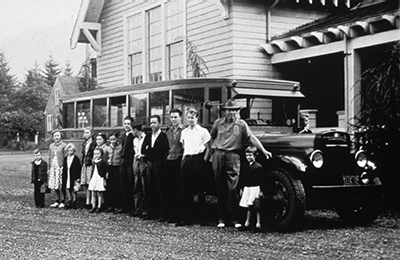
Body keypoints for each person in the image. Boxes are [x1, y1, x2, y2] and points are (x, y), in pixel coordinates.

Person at [210, 99, 272, 228]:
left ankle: (235, 218)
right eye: (229, 110)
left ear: (238, 112)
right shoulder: (218, 123)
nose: (231, 113)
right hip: (218, 155)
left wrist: (264, 150)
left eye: (234, 110)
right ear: (225, 112)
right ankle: (222, 218)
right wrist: (211, 154)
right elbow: (212, 138)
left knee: (233, 188)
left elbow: (252, 138)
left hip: (233, 156)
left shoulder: (242, 124)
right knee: (220, 187)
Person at [177, 108, 211, 226]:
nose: (190, 120)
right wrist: (183, 161)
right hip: (186, 159)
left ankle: (202, 219)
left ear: (197, 118)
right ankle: (187, 218)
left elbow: (208, 148)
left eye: (193, 117)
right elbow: (184, 147)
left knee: (200, 190)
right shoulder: (184, 132)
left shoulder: (203, 131)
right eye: (189, 117)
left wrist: (203, 162)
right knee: (185, 190)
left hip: (198, 159)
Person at [141, 115, 169, 221]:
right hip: (150, 163)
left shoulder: (163, 136)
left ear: (159, 124)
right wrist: (151, 150)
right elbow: (143, 149)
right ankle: (152, 213)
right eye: (151, 123)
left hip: (159, 164)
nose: (152, 125)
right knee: (150, 187)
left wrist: (150, 150)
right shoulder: (148, 136)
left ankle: (162, 214)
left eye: (155, 123)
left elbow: (161, 151)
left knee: (160, 188)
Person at [165, 108, 185, 223]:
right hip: (170, 161)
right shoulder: (168, 131)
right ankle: (172, 215)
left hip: (179, 160)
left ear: (180, 117)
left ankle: (180, 216)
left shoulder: (184, 130)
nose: (173, 119)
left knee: (179, 189)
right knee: (170, 189)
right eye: (172, 117)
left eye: (175, 117)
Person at [239, 146, 263, 231]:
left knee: (256, 206)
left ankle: (258, 224)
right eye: (247, 155)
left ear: (255, 155)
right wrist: (241, 188)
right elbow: (243, 178)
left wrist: (261, 190)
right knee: (247, 205)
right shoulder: (245, 166)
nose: (248, 157)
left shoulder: (258, 167)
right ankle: (247, 223)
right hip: (247, 187)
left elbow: (261, 179)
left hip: (255, 187)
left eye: (250, 155)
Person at [116, 116, 135, 214]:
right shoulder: (123, 135)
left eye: (128, 124)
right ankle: (124, 207)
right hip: (123, 161)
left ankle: (131, 207)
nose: (126, 126)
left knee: (130, 183)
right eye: (125, 124)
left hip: (130, 160)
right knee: (122, 184)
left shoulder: (133, 135)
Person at [48, 129, 67, 208]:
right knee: (55, 184)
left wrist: (64, 167)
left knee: (61, 184)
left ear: (60, 136)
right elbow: (49, 157)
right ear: (53, 137)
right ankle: (57, 200)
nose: (56, 137)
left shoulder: (63, 145)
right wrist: (49, 167)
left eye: (58, 135)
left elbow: (65, 157)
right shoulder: (51, 146)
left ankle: (63, 200)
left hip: (60, 166)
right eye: (55, 136)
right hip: (53, 166)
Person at [132, 123, 148, 217]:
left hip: (143, 162)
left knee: (144, 185)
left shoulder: (146, 138)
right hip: (136, 162)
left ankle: (145, 210)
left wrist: (143, 155)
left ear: (135, 130)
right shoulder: (134, 140)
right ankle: (137, 209)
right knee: (136, 186)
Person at [104, 132, 122, 213]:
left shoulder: (120, 147)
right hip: (110, 168)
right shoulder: (108, 148)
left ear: (117, 139)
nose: (112, 141)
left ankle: (118, 205)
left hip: (117, 167)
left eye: (114, 139)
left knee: (117, 187)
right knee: (110, 187)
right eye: (111, 139)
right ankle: (111, 205)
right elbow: (105, 158)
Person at [80, 127, 96, 209]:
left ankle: (92, 201)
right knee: (85, 183)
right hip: (84, 164)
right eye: (85, 132)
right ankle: (87, 200)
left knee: (90, 183)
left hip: (90, 164)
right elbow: (83, 154)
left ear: (91, 133)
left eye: (87, 132)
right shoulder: (84, 143)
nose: (86, 134)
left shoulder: (94, 143)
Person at [62, 143, 82, 209]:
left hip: (73, 176)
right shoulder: (65, 158)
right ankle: (69, 201)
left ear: (73, 151)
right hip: (67, 175)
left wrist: (78, 177)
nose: (70, 152)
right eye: (68, 150)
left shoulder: (76, 159)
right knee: (67, 188)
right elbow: (64, 167)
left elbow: (79, 168)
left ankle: (74, 202)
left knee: (73, 189)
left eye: (71, 150)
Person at [88, 147, 107, 213]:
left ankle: (99, 206)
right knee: (93, 192)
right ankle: (93, 206)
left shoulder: (102, 162)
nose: (96, 155)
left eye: (98, 154)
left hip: (100, 178)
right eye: (95, 154)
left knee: (99, 193)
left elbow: (104, 172)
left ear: (101, 154)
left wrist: (104, 179)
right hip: (94, 178)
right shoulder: (93, 162)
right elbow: (92, 171)